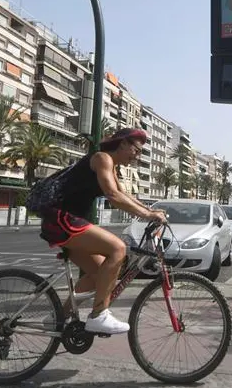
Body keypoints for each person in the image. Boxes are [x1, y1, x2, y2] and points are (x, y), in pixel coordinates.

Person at [38, 127, 168, 335]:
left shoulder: (112, 166)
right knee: (118, 248)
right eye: (136, 150)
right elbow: (112, 196)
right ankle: (99, 315)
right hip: (60, 217)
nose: (137, 156)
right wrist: (147, 216)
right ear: (123, 143)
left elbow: (122, 194)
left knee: (99, 274)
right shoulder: (102, 158)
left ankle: (58, 317)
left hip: (63, 220)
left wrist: (150, 210)